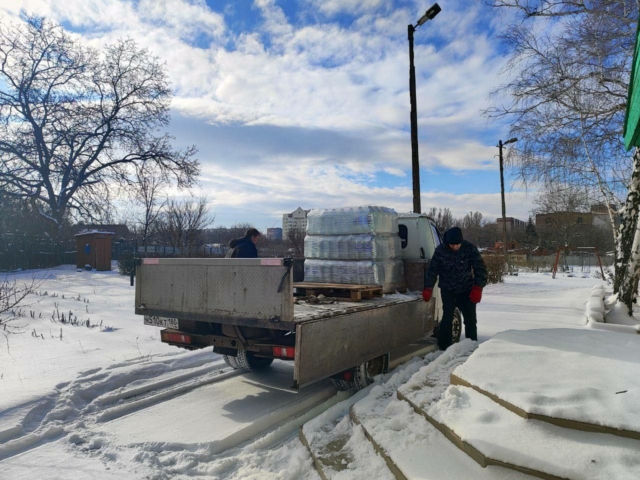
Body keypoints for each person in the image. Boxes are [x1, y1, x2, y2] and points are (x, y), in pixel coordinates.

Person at [422, 226, 487, 350]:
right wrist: (428, 287)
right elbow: (432, 270)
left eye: (458, 245)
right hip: (448, 290)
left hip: (466, 290)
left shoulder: (469, 248)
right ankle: (444, 347)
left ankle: (471, 346)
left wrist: (478, 287)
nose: (455, 247)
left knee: (470, 320)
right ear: (448, 243)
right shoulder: (440, 250)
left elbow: (480, 268)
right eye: (452, 245)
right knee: (447, 318)